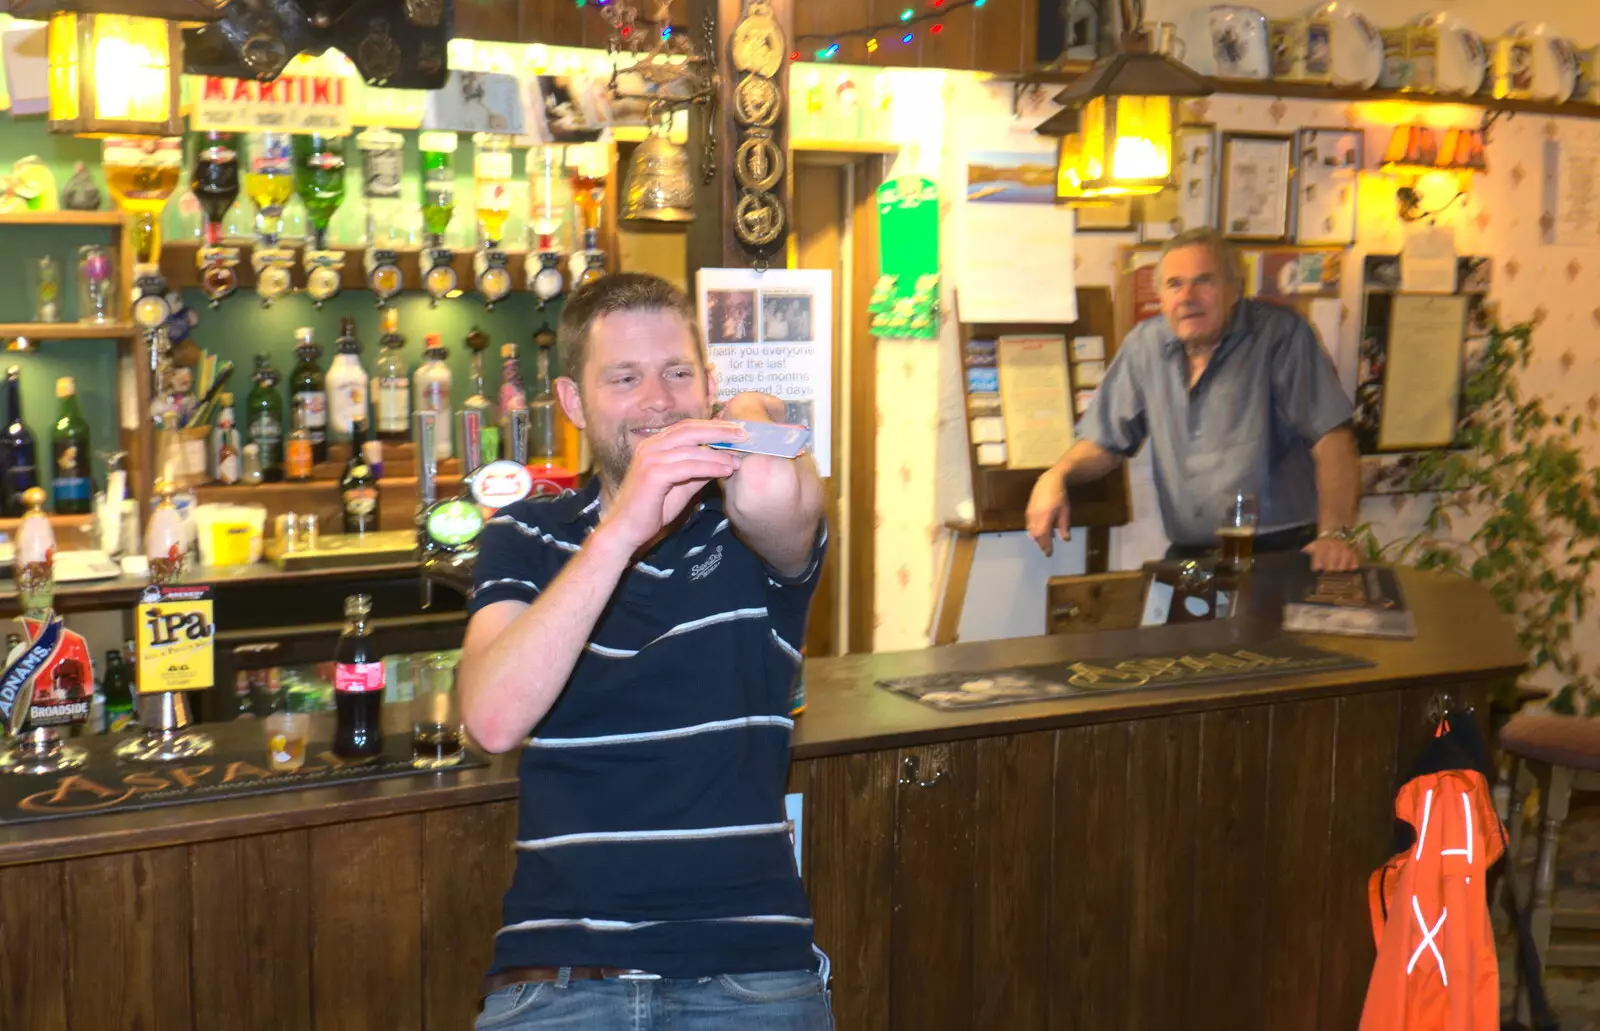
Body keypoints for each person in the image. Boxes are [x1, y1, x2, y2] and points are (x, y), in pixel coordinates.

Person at [457, 272, 832, 1030]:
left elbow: (765, 487)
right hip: (561, 976)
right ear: (572, 401)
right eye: (625, 378)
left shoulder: (747, 527)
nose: (658, 401)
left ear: (709, 383)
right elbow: (492, 720)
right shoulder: (524, 535)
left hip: (749, 972)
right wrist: (620, 531)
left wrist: (748, 411)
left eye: (679, 373)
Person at [1026, 227, 1361, 571]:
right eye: (1174, 284)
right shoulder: (1145, 345)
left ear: (1233, 289)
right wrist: (1057, 474)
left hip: (1280, 552)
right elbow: (1105, 442)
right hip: (1191, 557)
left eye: (1204, 281)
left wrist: (1335, 534)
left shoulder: (1280, 335)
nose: (1188, 296)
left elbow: (1332, 438)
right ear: (1160, 294)